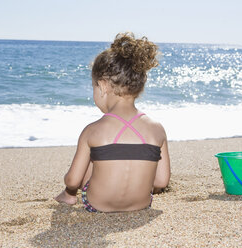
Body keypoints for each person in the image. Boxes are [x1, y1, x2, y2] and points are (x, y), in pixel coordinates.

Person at [54, 32, 171, 212]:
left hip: (97, 204)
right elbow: (162, 181)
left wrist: (70, 190)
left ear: (103, 86)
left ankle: (67, 198)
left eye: (93, 87)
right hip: (141, 205)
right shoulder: (157, 129)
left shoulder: (92, 131)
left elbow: (73, 180)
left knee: (93, 160)